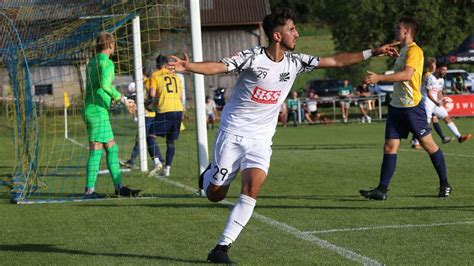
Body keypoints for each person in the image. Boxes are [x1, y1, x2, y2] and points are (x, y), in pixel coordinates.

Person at [168, 9, 398, 263]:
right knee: (215, 195)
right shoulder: (252, 58)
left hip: (261, 139)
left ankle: (221, 248)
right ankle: (210, 174)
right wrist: (188, 66)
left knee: (252, 188)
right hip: (233, 133)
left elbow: (335, 61)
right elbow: (219, 67)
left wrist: (373, 52)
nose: (297, 33)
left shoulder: (296, 62)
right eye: (292, 29)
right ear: (277, 36)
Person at [360, 17, 452, 201]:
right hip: (396, 107)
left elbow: (406, 75)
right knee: (390, 146)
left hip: (411, 108)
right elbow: (405, 69)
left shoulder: (415, 51)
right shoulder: (404, 50)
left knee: (429, 145)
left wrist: (379, 78)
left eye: (398, 28)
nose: (395, 30)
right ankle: (382, 190)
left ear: (407, 31)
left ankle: (445, 184)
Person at [83, 32, 140, 198]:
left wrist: (109, 101)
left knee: (111, 147)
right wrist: (123, 99)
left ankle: (119, 187)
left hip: (92, 108)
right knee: (96, 149)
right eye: (113, 44)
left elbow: (97, 87)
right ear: (110, 45)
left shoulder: (91, 62)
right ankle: (89, 191)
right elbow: (105, 84)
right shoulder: (107, 63)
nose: (114, 46)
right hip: (97, 112)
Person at [412, 63, 472, 146]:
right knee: (426, 122)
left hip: (435, 102)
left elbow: (439, 92)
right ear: (438, 69)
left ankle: (459, 137)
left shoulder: (441, 80)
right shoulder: (430, 78)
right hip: (427, 101)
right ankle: (416, 143)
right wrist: (436, 102)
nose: (445, 72)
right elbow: (429, 94)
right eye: (443, 70)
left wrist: (441, 99)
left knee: (447, 117)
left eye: (446, 70)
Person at [120, 69, 164, 176]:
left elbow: (151, 96)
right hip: (146, 114)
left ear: (143, 74)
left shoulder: (148, 81)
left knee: (140, 138)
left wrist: (145, 103)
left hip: (148, 114)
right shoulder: (141, 83)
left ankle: (131, 161)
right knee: (149, 138)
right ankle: (159, 160)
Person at [148, 54, 184, 177]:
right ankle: (167, 169)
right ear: (167, 64)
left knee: (150, 136)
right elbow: (180, 96)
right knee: (171, 141)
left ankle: (157, 162)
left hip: (164, 109)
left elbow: (152, 94)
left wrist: (152, 101)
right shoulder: (176, 77)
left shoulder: (155, 75)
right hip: (178, 110)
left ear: (158, 65)